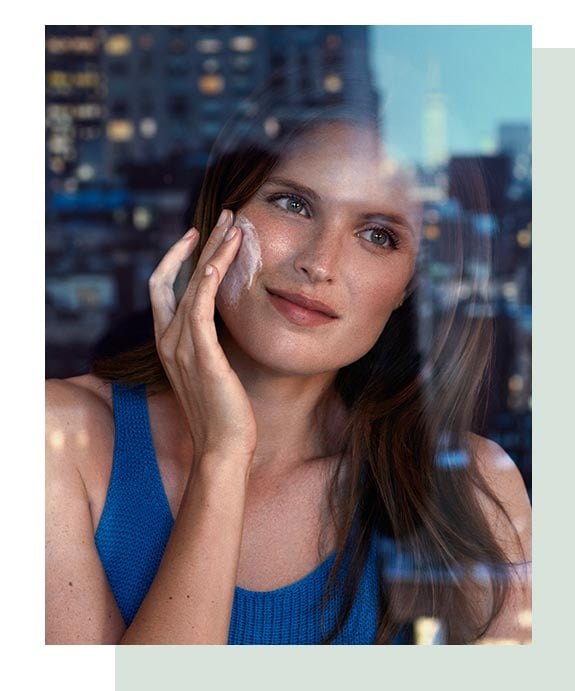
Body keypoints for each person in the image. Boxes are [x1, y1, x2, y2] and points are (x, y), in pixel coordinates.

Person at [45, 100, 532, 645]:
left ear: (407, 288)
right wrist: (223, 457)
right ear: (219, 214)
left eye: (378, 236)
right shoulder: (56, 438)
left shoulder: (473, 489)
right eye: (293, 203)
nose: (319, 264)